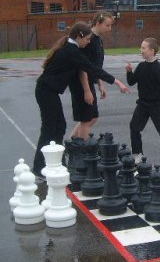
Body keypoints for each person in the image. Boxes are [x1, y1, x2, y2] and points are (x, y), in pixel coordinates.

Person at [32, 22, 129, 179]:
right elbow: (91, 68)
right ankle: (40, 167)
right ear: (79, 36)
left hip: (48, 92)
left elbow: (88, 68)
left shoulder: (71, 49)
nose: (89, 42)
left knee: (59, 126)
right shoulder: (71, 51)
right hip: (46, 92)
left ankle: (56, 162)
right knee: (50, 129)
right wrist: (116, 82)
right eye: (87, 39)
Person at [126, 38, 160, 163]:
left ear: (151, 51)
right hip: (142, 104)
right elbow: (131, 81)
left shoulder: (158, 68)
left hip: (157, 105)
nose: (140, 50)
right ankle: (137, 154)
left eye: (143, 48)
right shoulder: (142, 66)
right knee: (134, 127)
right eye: (141, 47)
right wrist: (129, 71)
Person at [69, 11, 114, 140]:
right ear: (98, 23)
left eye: (111, 26)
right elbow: (83, 67)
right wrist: (87, 90)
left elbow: (95, 67)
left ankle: (71, 144)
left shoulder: (98, 39)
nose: (109, 29)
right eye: (107, 25)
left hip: (90, 81)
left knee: (93, 117)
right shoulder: (88, 40)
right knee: (86, 119)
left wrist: (100, 84)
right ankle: (83, 153)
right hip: (82, 83)